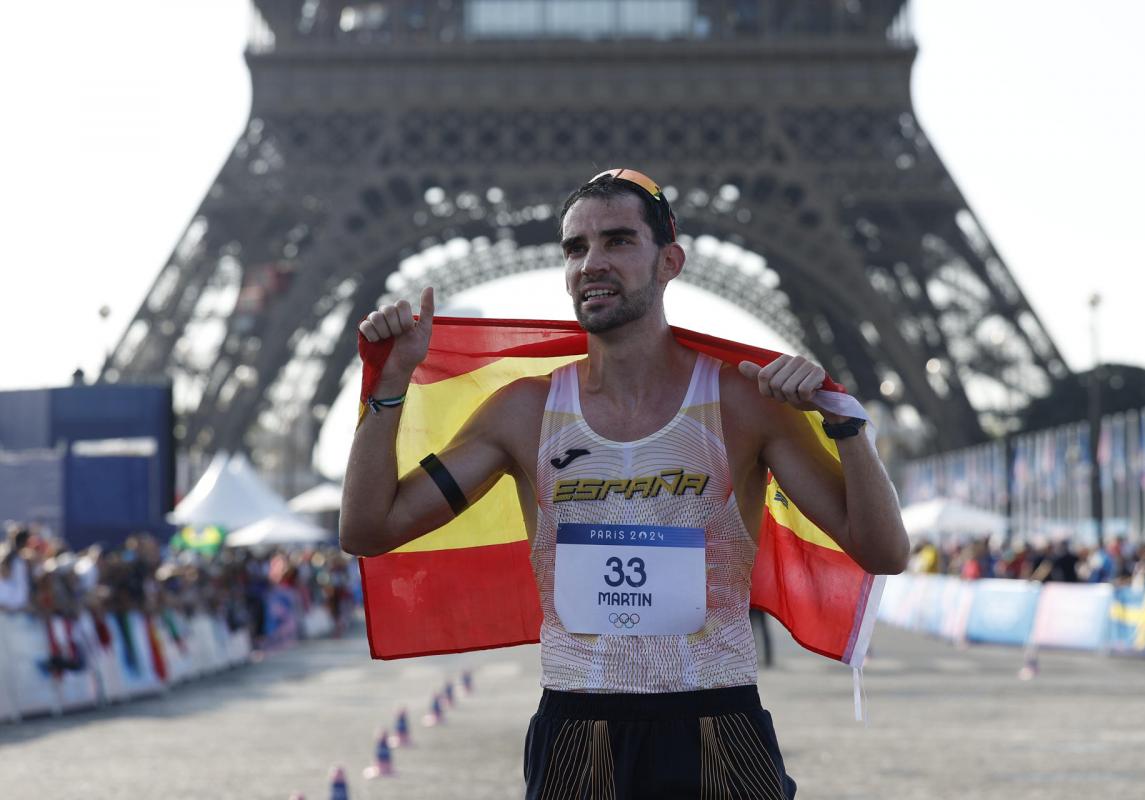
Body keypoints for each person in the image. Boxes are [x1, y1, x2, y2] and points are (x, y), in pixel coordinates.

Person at [340, 168, 909, 798]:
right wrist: (388, 387)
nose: (592, 263)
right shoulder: (523, 411)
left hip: (717, 719)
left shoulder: (744, 402)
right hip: (577, 728)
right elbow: (368, 530)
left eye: (617, 241)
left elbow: (883, 551)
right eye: (575, 248)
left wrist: (845, 425)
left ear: (670, 261)